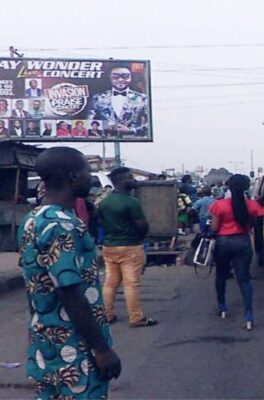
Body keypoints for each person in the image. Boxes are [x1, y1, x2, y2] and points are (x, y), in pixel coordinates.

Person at [17, 147, 121, 399]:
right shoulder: (63, 225)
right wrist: (101, 348)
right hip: (76, 349)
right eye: (87, 171)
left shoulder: (32, 219)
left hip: (45, 343)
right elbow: (70, 291)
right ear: (73, 176)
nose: (89, 177)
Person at [99, 167, 157, 327]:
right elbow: (142, 225)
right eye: (130, 177)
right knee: (131, 283)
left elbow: (102, 222)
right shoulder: (132, 202)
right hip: (130, 246)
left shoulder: (105, 202)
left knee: (110, 282)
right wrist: (142, 235)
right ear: (121, 180)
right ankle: (136, 317)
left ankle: (107, 315)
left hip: (109, 246)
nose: (134, 180)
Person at [210, 174, 264, 330]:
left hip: (223, 242)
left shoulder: (219, 205)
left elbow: (214, 228)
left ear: (228, 187)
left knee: (221, 276)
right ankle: (248, 316)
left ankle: (222, 308)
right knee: (244, 280)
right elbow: (256, 223)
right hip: (243, 242)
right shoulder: (253, 205)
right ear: (247, 187)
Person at [88, 65, 148, 136]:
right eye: (116, 77)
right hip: (106, 137)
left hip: (132, 140)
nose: (120, 80)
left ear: (131, 78)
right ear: (110, 78)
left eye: (125, 76)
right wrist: (106, 128)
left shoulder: (142, 98)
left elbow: (150, 123)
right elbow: (89, 121)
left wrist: (131, 131)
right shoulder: (98, 98)